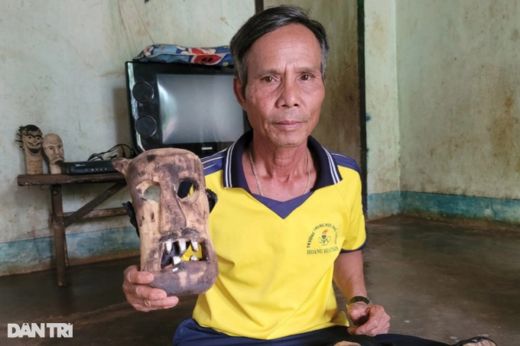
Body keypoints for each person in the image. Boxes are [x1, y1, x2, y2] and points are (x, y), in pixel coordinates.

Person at [122, 6, 496, 346]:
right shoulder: (195, 185)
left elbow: (347, 249)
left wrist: (358, 300)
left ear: (322, 87)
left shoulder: (344, 176)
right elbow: (169, 266)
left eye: (305, 76)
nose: (290, 98)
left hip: (319, 334)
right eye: (269, 79)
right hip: (224, 338)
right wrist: (144, 288)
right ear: (241, 91)